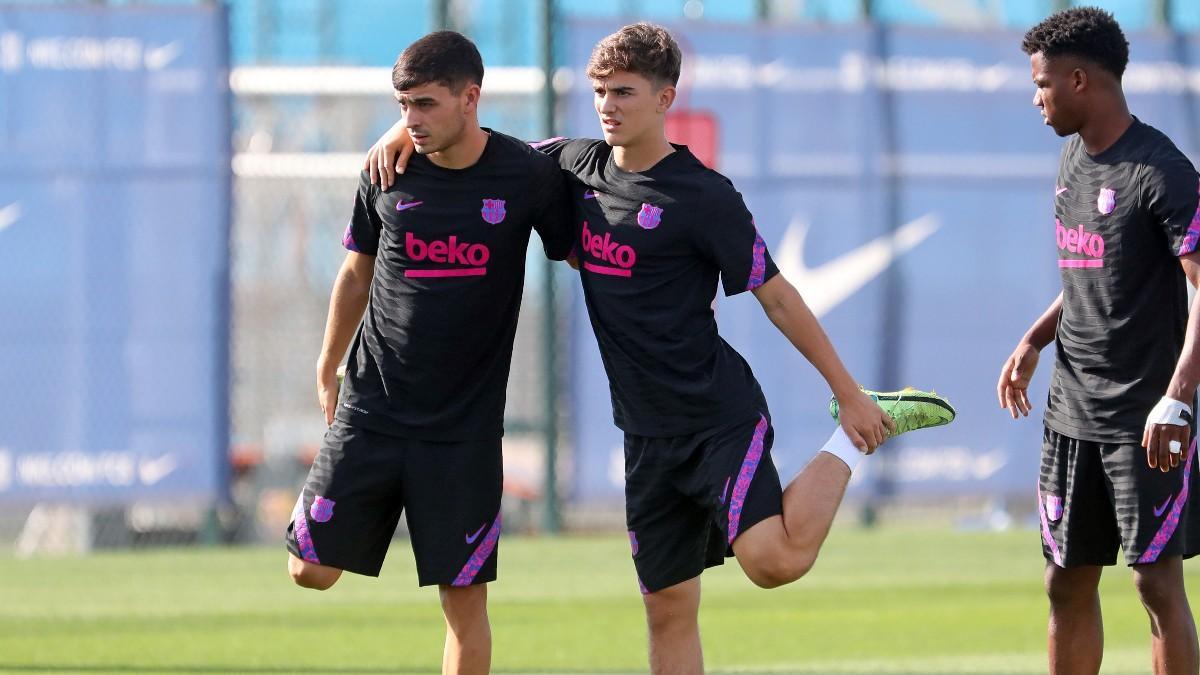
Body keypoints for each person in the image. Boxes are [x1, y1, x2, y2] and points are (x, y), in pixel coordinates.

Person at [368, 22, 954, 673]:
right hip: (646, 436)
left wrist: (845, 395)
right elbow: (477, 145)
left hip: (715, 417)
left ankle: (855, 433)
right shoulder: (572, 163)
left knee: (773, 561)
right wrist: (402, 132)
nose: (607, 106)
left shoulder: (703, 196)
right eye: (598, 92)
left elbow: (779, 297)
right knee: (668, 611)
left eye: (623, 91)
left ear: (665, 97)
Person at [286, 31, 572, 675]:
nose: (410, 120)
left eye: (424, 105)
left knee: (463, 603)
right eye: (402, 106)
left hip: (462, 430)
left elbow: (579, 220)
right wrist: (327, 364)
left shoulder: (525, 175)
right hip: (373, 408)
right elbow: (355, 274)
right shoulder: (386, 169)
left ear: (471, 99)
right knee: (310, 570)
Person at [997, 7, 1200, 674]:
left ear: (1081, 80)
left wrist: (1177, 397)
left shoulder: (1162, 170)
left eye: (1043, 83)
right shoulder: (1072, 159)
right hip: (1070, 411)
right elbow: (1094, 270)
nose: (1036, 98)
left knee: (1155, 583)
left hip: (1144, 415)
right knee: (1065, 578)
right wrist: (1034, 339)